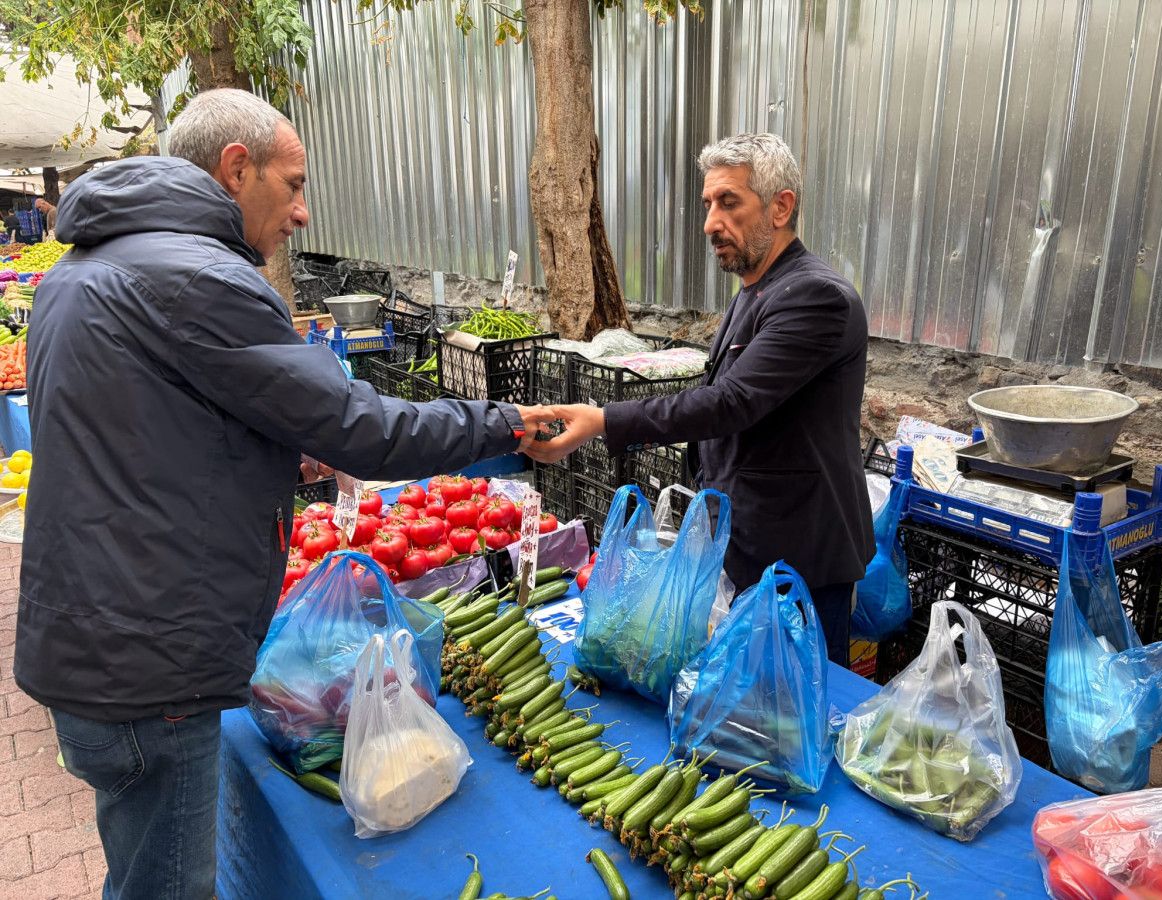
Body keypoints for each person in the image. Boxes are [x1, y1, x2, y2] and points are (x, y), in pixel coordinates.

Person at [15, 88, 552, 900]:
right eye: (294, 184)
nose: (302, 212)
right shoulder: (199, 277)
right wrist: (509, 422)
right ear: (238, 168)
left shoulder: (82, 270)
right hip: (148, 663)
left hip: (87, 643)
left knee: (137, 874)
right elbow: (366, 430)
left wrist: (266, 455)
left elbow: (137, 442)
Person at [528, 133, 874, 666]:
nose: (711, 222)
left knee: (792, 715)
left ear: (781, 207)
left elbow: (730, 402)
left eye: (729, 202)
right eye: (709, 204)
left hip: (798, 560)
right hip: (749, 544)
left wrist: (604, 419)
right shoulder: (757, 289)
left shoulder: (816, 296)